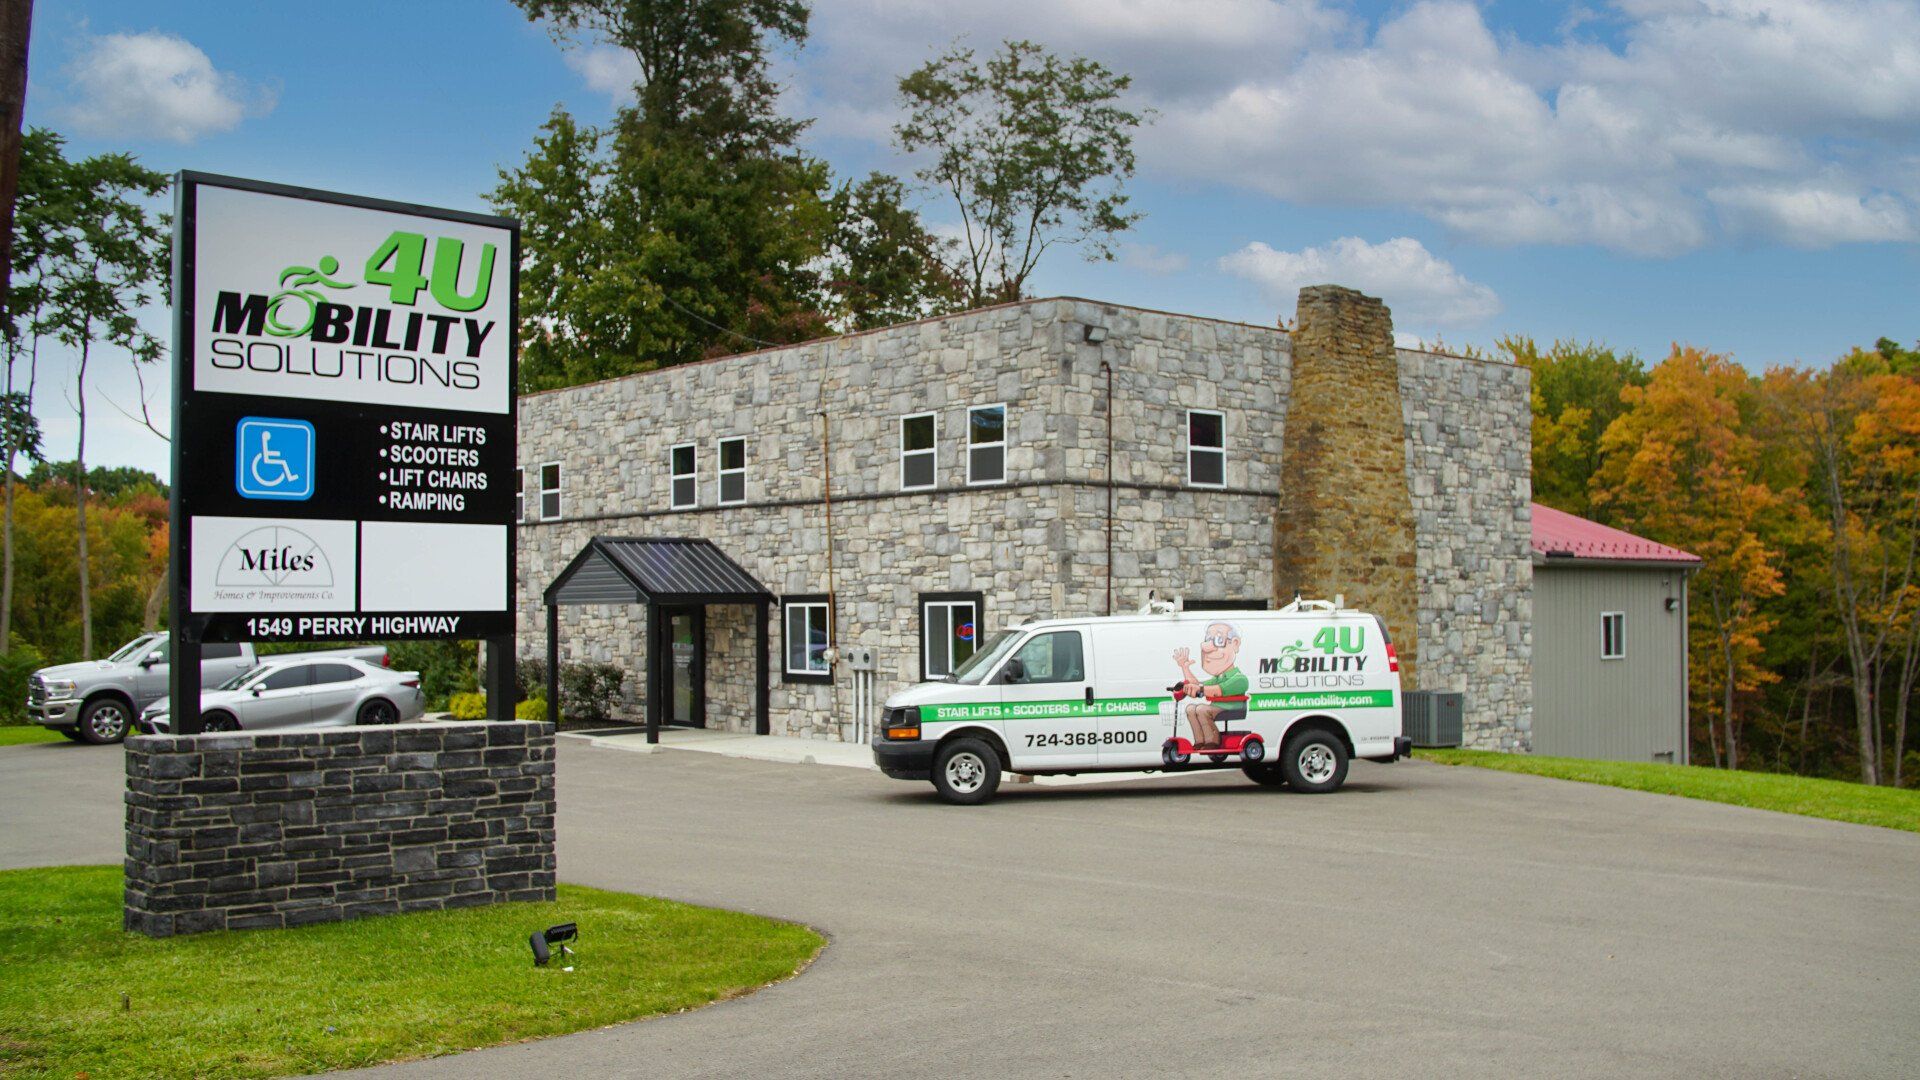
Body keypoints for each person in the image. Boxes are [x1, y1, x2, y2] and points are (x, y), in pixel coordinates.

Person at [1172, 622, 1249, 749]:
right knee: (1191, 708)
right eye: (1207, 640)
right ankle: (1199, 741)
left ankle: (1213, 741)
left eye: (1219, 640)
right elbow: (1199, 684)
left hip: (1232, 708)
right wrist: (1185, 668)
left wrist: (1200, 689)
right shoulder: (1219, 677)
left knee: (1202, 710)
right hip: (1217, 706)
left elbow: (1216, 690)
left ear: (1235, 643)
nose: (1207, 647)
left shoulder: (1239, 679)